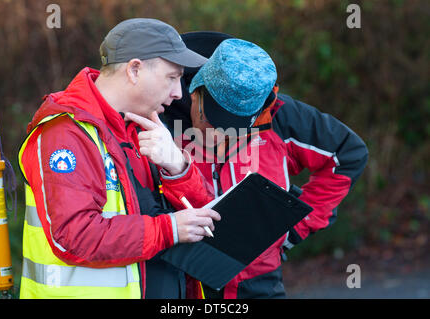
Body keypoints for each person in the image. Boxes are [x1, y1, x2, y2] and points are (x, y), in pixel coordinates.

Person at [17, 18, 221, 299]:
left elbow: (202, 218)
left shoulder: (143, 125)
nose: (178, 93)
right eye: (172, 77)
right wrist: (169, 228)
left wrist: (178, 167)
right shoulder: (64, 133)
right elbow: (75, 237)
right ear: (135, 69)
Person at [156, 33, 369, 299]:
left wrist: (292, 230)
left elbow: (347, 154)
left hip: (259, 283)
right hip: (181, 283)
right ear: (197, 89)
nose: (218, 136)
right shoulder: (157, 110)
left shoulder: (278, 114)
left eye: (233, 128)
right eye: (212, 120)